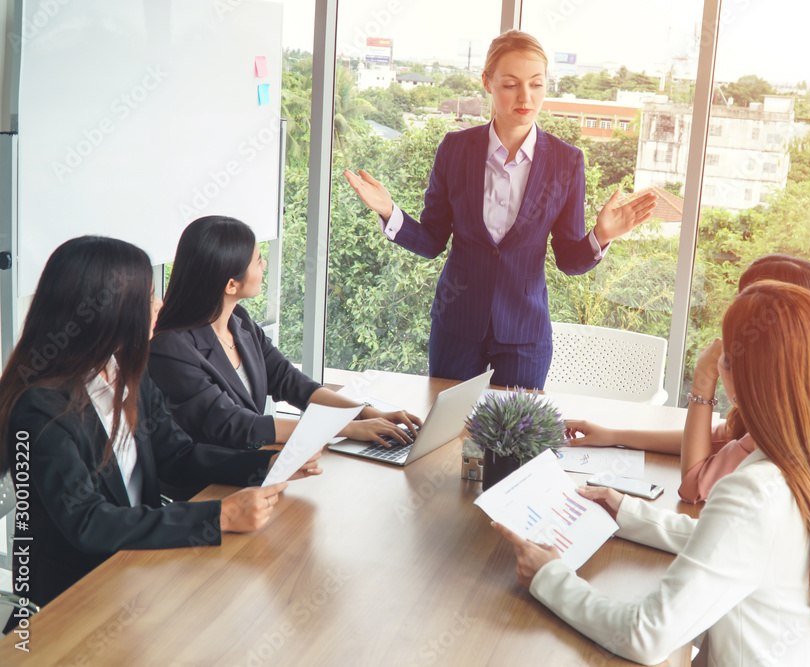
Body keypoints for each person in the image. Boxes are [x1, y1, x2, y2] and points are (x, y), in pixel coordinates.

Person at [494, 281, 810, 666]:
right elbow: (731, 541)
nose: (720, 363)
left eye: (726, 357)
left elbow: (645, 636)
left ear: (747, 380)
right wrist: (625, 512)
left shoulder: (755, 492)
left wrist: (549, 578)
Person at [0, 237, 323, 614]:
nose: (159, 306)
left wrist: (263, 466)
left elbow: (178, 457)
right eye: (149, 296)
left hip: (142, 567)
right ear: (109, 311)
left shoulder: (125, 373)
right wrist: (220, 515)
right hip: (80, 594)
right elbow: (87, 521)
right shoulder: (39, 407)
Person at [344, 30, 657, 390]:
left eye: (537, 84)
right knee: (447, 437)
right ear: (487, 82)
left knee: (515, 441)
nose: (526, 97)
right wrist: (390, 211)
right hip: (457, 326)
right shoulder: (455, 148)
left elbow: (569, 260)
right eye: (510, 85)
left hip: (525, 334)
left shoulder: (566, 161)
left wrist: (601, 236)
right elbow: (431, 241)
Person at [565, 254, 810, 502]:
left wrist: (703, 382)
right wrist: (613, 435)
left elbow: (693, 486)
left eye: (745, 300)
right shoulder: (799, 399)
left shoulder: (783, 424)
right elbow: (715, 439)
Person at [148, 216, 422, 452]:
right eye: (257, 261)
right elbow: (232, 424)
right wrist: (346, 428)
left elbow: (289, 381)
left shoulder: (238, 321)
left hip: (256, 460)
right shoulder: (171, 349)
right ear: (231, 285)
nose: (264, 264)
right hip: (211, 484)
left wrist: (365, 413)